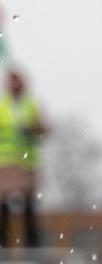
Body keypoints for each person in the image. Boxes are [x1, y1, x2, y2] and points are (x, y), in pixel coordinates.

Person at [0, 69, 47, 248]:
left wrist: (33, 129)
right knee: (3, 205)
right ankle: (3, 243)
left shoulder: (31, 105)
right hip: (4, 163)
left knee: (29, 204)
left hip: (27, 163)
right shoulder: (2, 105)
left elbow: (43, 128)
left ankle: (32, 245)